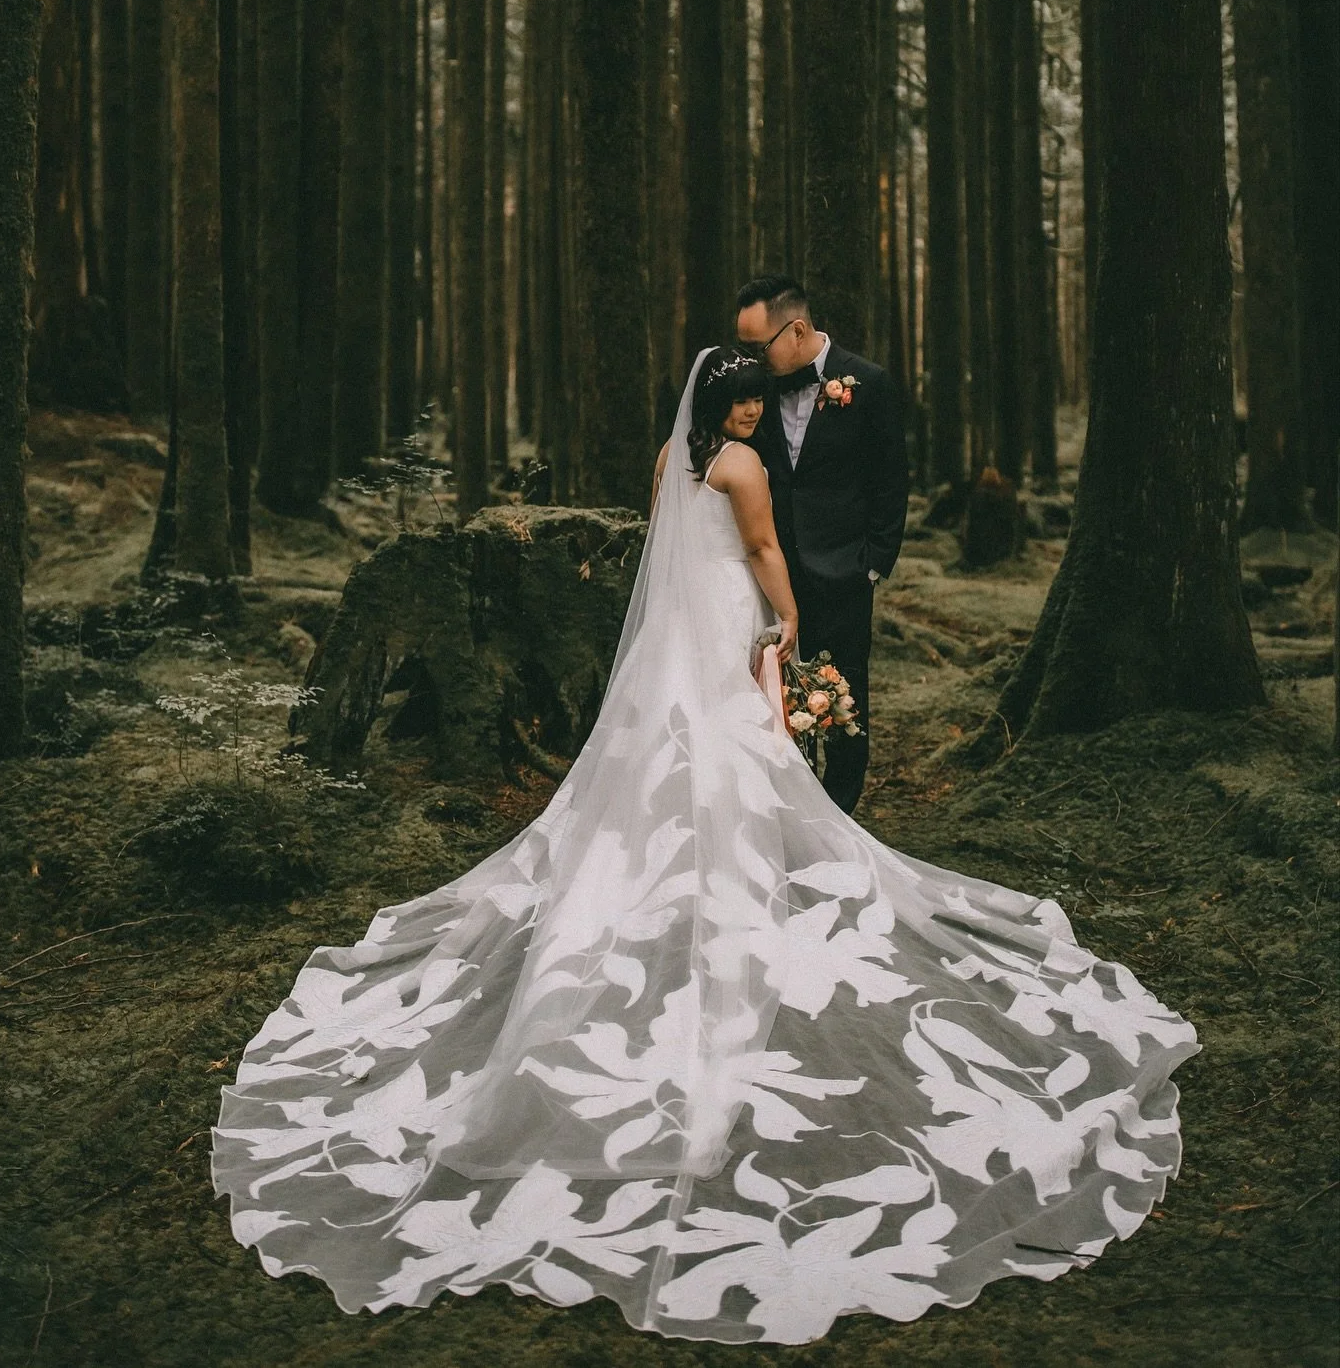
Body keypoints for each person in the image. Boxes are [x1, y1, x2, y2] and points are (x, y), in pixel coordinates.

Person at [212, 349, 1198, 1346]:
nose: (757, 413)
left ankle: (672, 879)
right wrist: (790, 615)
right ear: (737, 405)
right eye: (752, 402)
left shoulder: (670, 458)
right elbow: (764, 548)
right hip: (727, 615)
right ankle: (731, 878)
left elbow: (661, 548)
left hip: (669, 635)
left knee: (661, 762)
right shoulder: (742, 463)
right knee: (734, 755)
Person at [736, 274, 909, 814]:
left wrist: (873, 565)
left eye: (757, 347)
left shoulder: (869, 382)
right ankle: (792, 805)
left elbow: (891, 478)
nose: (751, 360)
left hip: (844, 571)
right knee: (778, 689)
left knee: (846, 694)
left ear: (798, 329)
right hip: (773, 570)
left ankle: (843, 811)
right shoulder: (757, 387)